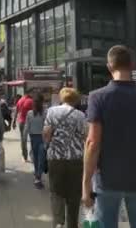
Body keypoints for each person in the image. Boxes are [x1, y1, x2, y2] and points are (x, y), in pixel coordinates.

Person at [82, 45, 136, 228]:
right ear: (133, 66)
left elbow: (93, 142)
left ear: (109, 66)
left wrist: (86, 184)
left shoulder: (97, 97)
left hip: (107, 179)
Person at [42, 87, 86, 228]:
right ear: (75, 99)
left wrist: (51, 144)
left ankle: (58, 223)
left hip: (55, 158)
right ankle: (72, 224)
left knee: (56, 192)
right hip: (76, 159)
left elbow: (47, 133)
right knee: (74, 195)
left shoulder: (52, 111)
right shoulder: (80, 115)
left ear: (62, 98)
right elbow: (86, 136)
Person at [24, 93, 46, 189]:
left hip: (33, 137)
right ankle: (38, 177)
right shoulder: (45, 113)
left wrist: (24, 138)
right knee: (41, 158)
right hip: (43, 138)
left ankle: (37, 174)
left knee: (36, 157)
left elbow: (26, 127)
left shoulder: (29, 113)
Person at [13, 90, 34, 162]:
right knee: (33, 138)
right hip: (30, 122)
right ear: (29, 93)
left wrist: (13, 122)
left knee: (23, 140)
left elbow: (16, 111)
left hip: (21, 122)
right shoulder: (31, 101)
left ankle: (24, 156)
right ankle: (32, 156)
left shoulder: (20, 100)